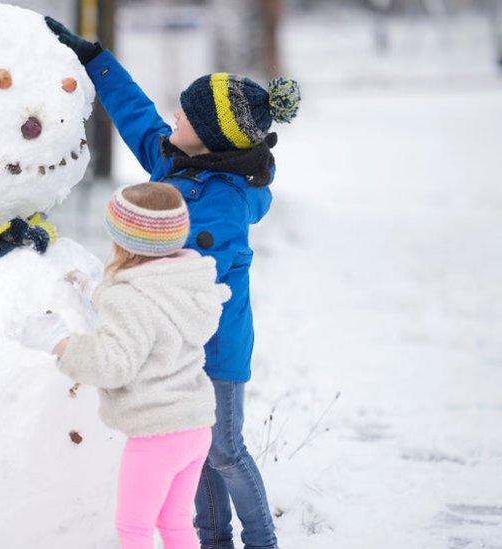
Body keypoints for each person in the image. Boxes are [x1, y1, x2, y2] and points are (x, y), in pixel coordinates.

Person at [45, 16, 301, 549]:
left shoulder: (222, 203)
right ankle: (212, 541)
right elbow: (137, 115)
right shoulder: (178, 163)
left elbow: (168, 264)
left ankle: (260, 541)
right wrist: (96, 60)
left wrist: (111, 285)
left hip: (217, 348)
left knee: (224, 450)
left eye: (183, 114)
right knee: (196, 448)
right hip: (178, 349)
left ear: (206, 137)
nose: (173, 117)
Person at [20, 182, 230, 549]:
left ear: (124, 241)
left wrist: (60, 343)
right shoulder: (187, 282)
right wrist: (94, 289)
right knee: (176, 522)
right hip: (195, 428)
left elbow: (112, 363)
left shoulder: (130, 299)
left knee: (134, 530)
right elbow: (148, 305)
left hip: (157, 435)